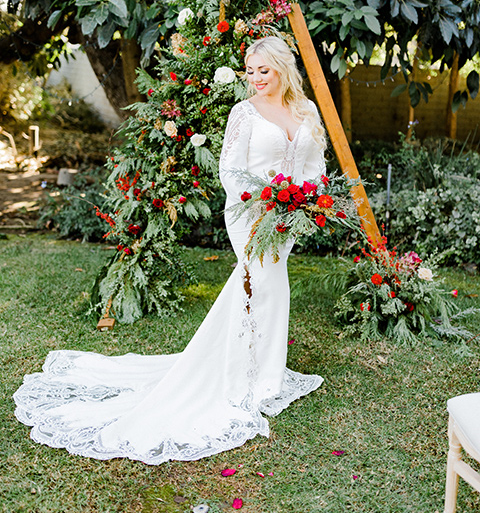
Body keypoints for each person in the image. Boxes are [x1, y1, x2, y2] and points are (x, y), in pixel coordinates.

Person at [13, 36, 326, 465]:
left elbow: (315, 164)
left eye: (263, 71)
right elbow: (230, 169)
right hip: (252, 213)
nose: (254, 79)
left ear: (282, 70)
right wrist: (264, 198)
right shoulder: (244, 112)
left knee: (272, 286)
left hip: (291, 217)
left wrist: (309, 196)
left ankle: (265, 371)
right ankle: (252, 378)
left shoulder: (305, 111)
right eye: (249, 70)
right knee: (262, 282)